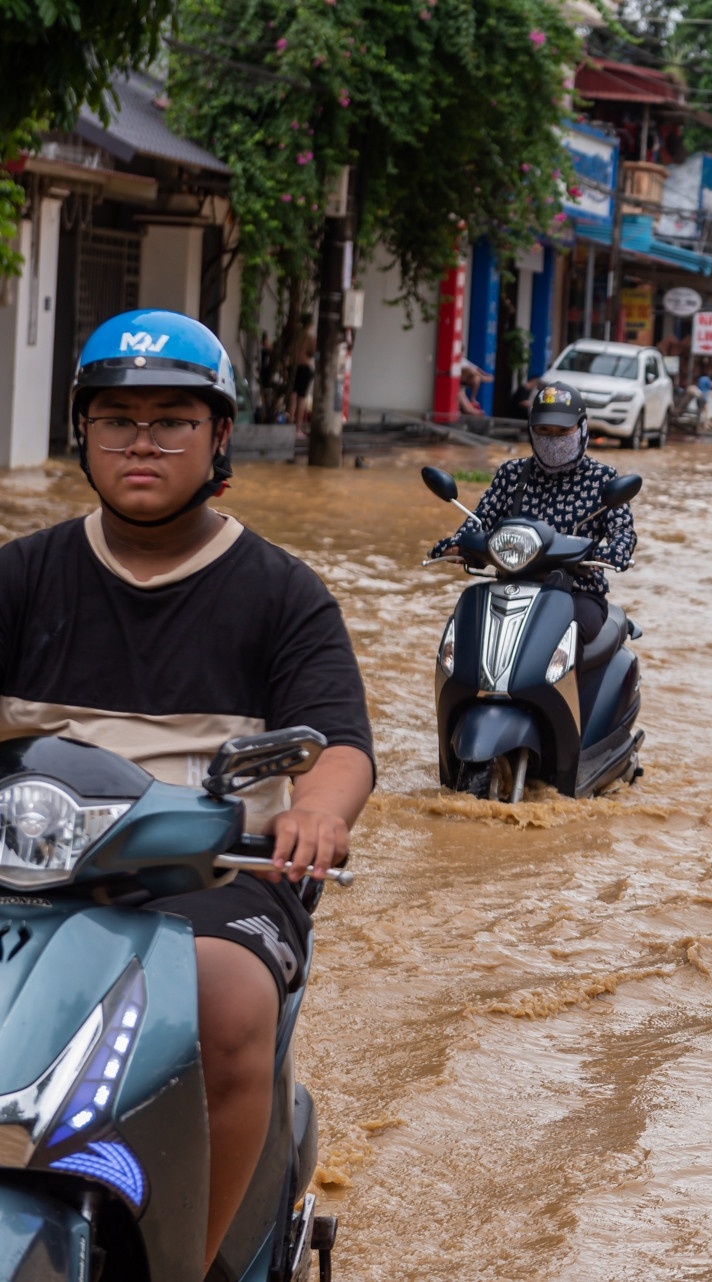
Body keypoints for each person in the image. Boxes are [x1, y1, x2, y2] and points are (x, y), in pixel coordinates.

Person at [0, 309, 375, 1273]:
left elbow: (339, 747)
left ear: (218, 438)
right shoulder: (21, 577)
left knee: (225, 1005)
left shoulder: (281, 593)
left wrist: (315, 811)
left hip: (211, 873)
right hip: (25, 871)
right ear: (81, 432)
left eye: (171, 419)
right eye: (117, 419)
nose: (141, 442)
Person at [431, 381, 637, 642]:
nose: (552, 439)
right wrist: (457, 546)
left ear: (582, 428)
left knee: (566, 635)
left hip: (578, 593)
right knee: (467, 631)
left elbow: (623, 531)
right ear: (531, 431)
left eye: (563, 431)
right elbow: (479, 520)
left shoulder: (603, 478)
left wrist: (615, 552)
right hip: (510, 589)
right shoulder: (512, 474)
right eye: (543, 430)